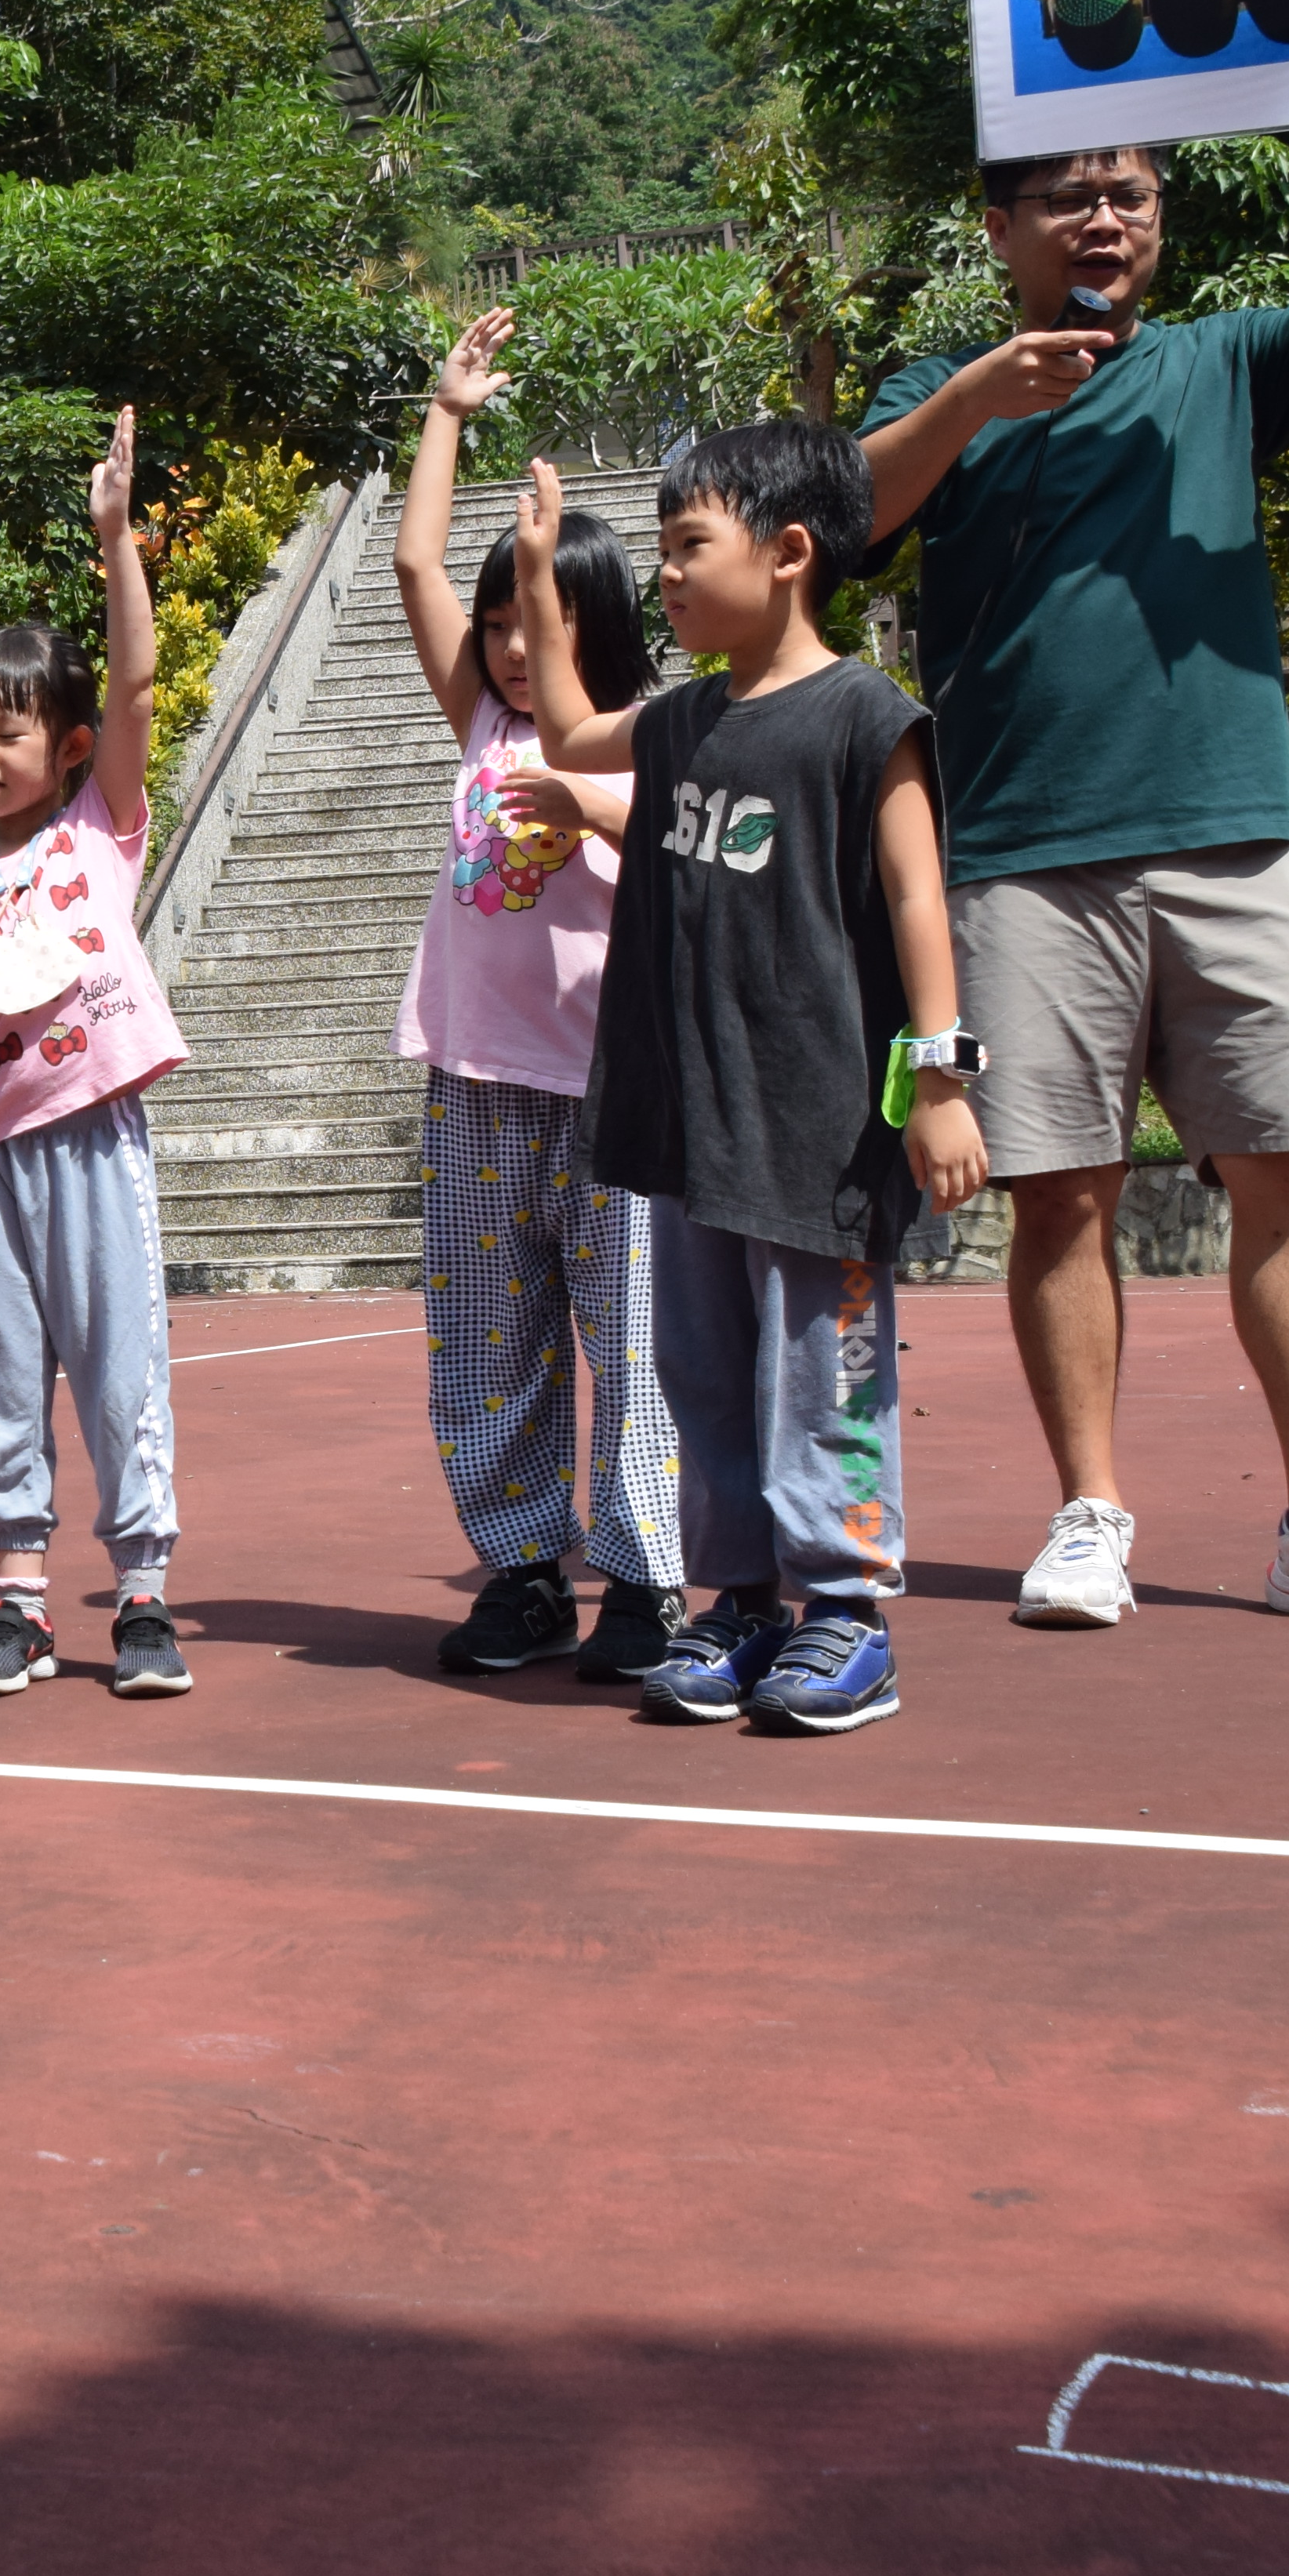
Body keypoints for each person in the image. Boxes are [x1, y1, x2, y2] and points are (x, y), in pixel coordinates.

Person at [858, 0, 1289, 1631]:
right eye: (1066, 191)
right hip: (1021, 858)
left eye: (1128, 190)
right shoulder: (947, 389)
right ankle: (1089, 1512)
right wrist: (976, 396)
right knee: (1056, 1190)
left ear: (1162, 218)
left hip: (1236, 827)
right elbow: (837, 514)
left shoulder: (1222, 361)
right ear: (998, 223)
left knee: (1288, 1162)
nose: (1101, 214)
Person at [510, 426, 988, 1736]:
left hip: (820, 1129)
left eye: (687, 548)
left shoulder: (863, 716)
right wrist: (545, 579)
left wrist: (941, 1079)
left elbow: (915, 895)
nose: (665, 575)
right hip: (688, 1125)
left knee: (821, 1374)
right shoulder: (678, 723)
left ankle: (844, 1613)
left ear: (787, 554)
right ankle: (741, 1605)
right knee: (704, 1377)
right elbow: (562, 726)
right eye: (658, 550)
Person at [386, 310, 686, 1687]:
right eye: (502, 623)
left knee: (629, 1345)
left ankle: (639, 1581)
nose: (512, 648)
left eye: (541, 620)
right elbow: (409, 561)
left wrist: (589, 798)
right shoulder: (484, 725)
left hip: (615, 1094)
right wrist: (447, 415)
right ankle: (520, 1569)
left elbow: (676, 851)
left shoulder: (661, 737)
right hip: (475, 1079)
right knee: (486, 1338)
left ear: (599, 621)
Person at [0, 405, 196, 1699]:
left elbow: (133, 680)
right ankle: (16, 1600)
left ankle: (140, 1597)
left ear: (64, 750)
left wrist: (115, 538)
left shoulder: (99, 833)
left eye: (7, 733)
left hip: (96, 1144)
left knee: (122, 1370)